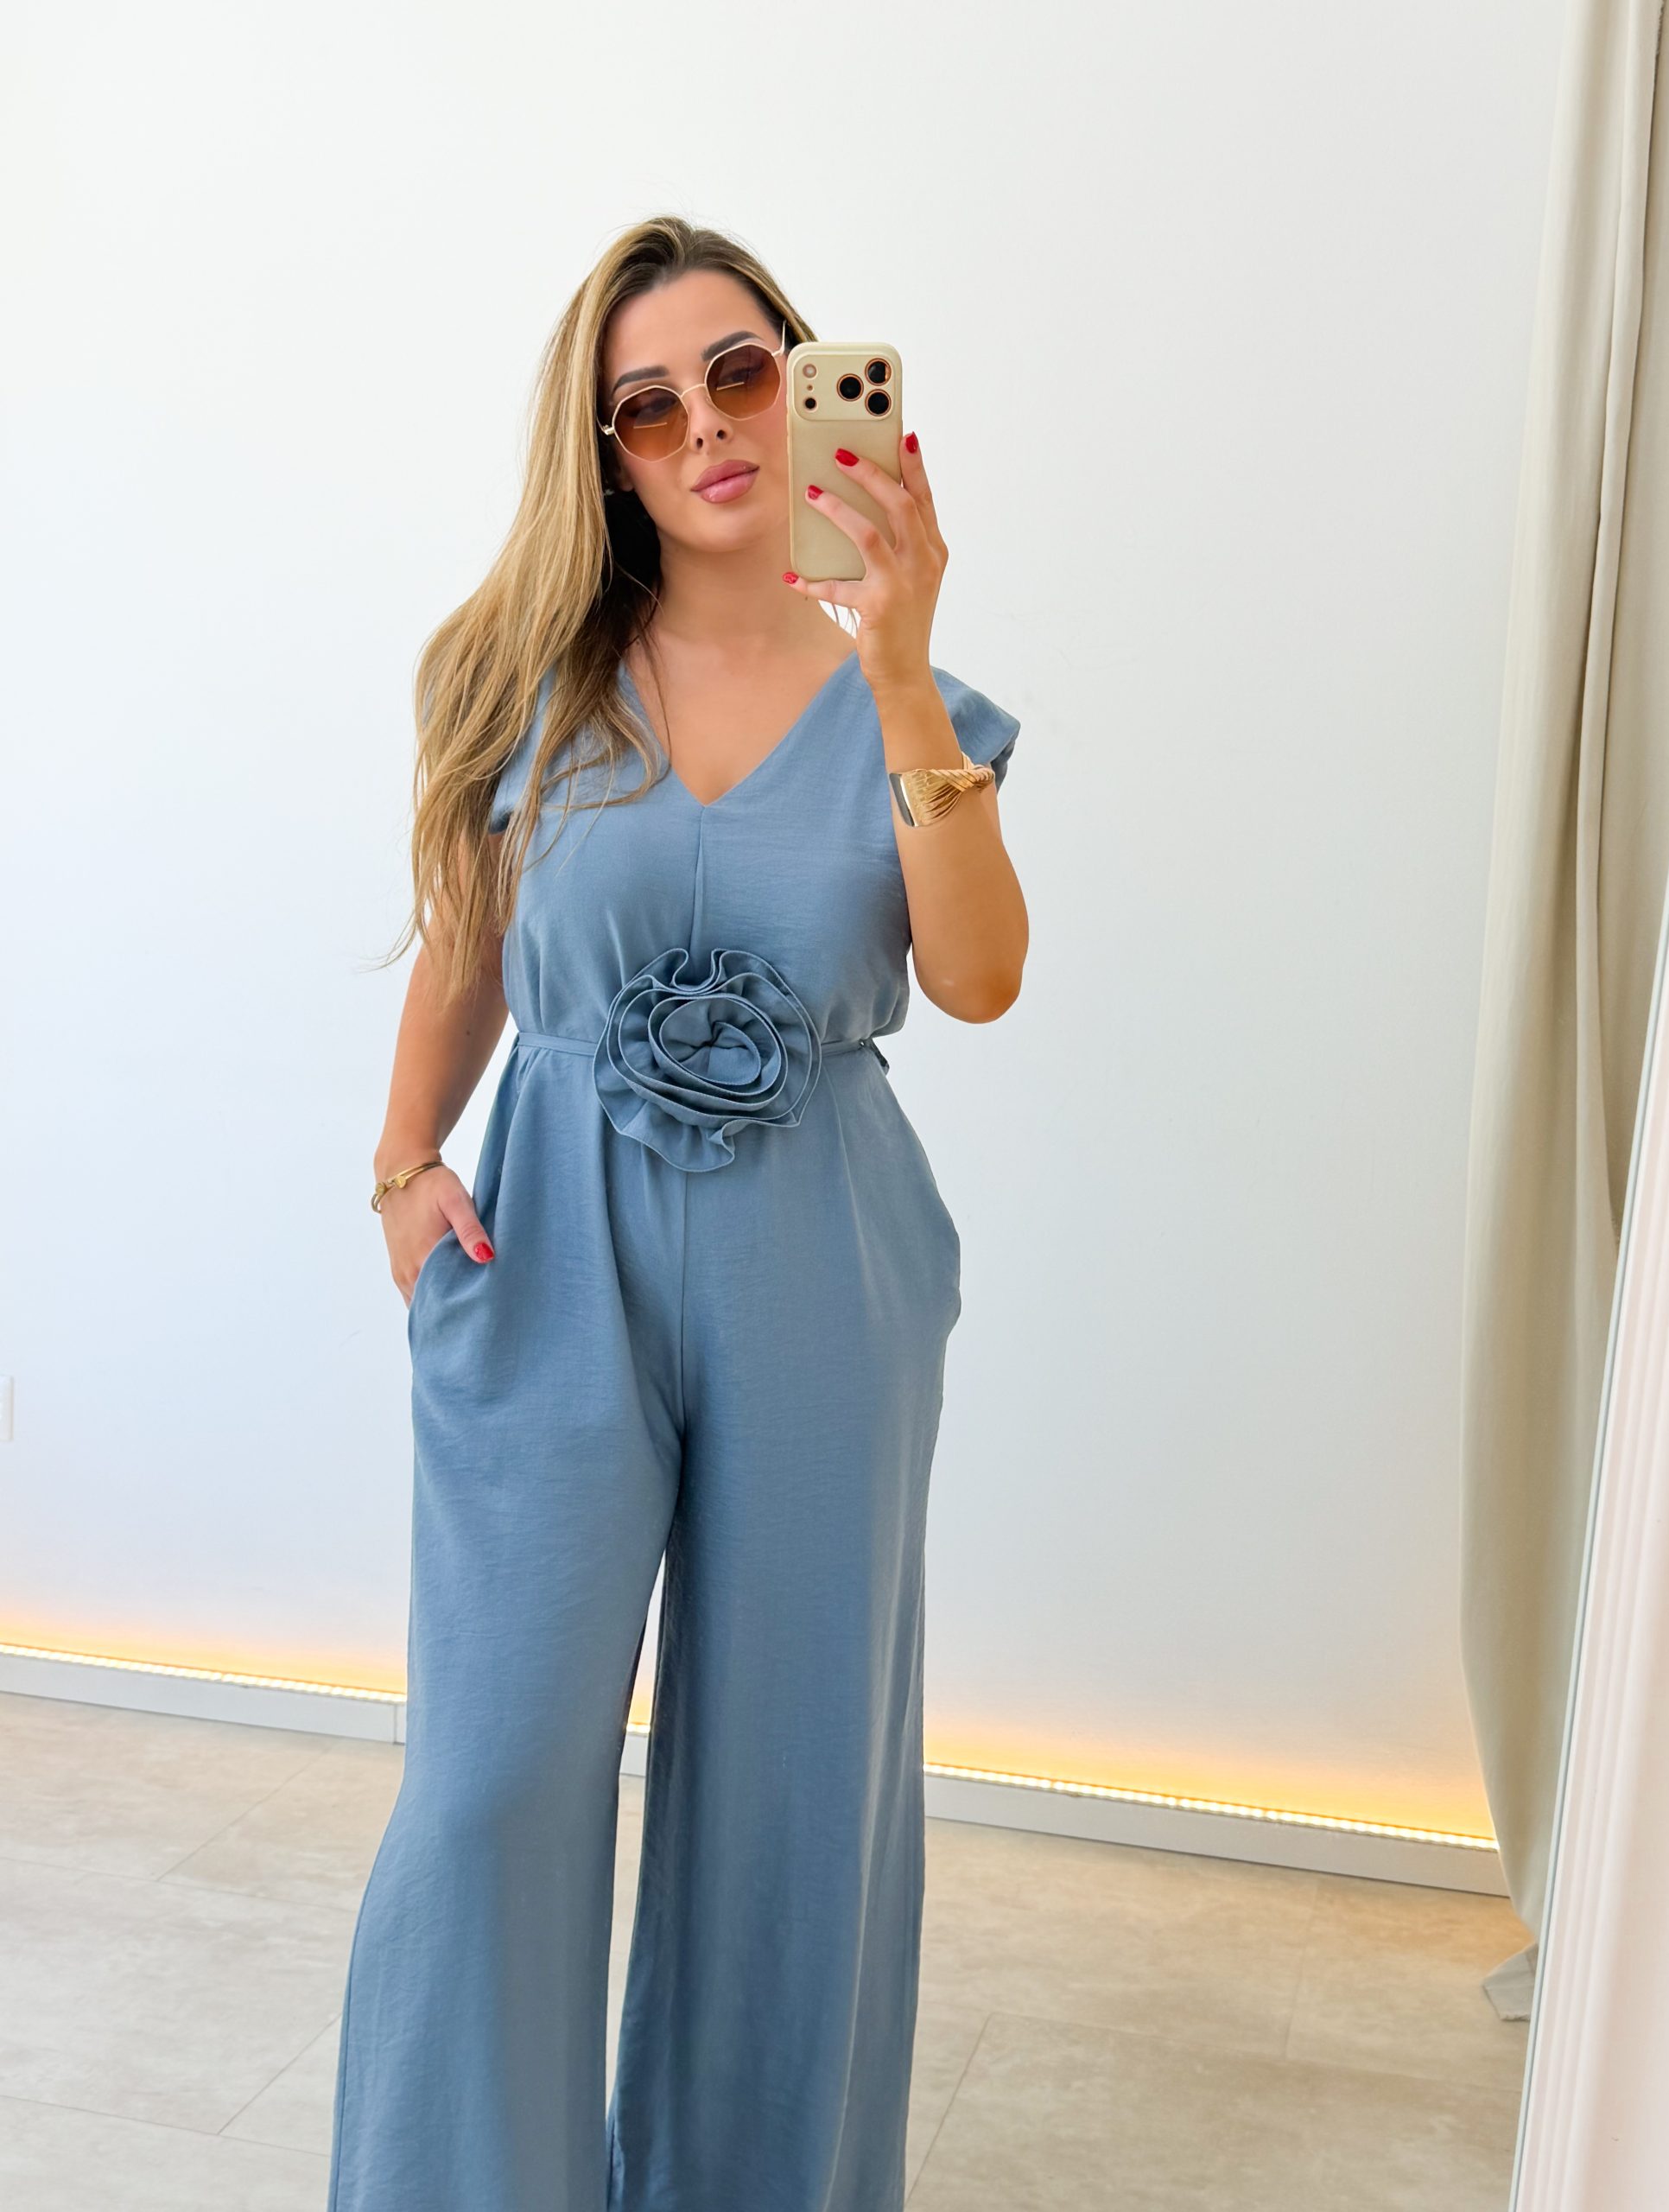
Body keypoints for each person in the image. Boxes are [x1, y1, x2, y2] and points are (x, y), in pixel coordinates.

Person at [327, 213, 1029, 2212]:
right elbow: (471, 937)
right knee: (489, 1784)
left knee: (792, 1795)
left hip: (826, 1257)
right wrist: (403, 1162)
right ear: (607, 457)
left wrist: (897, 666)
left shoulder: (914, 697)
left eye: (739, 375)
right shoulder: (529, 681)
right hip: (549, 1249)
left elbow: (978, 977)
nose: (706, 427)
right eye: (648, 407)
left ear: (805, 387)